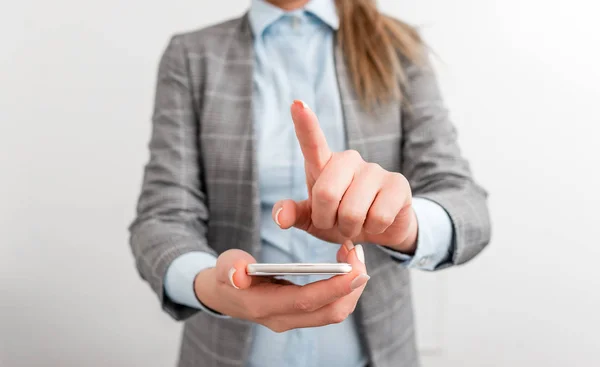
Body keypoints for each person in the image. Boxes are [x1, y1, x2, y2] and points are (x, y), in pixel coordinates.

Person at [129, 0, 491, 366]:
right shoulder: (192, 55)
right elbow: (163, 215)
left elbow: (466, 205)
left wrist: (405, 225)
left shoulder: (397, 46)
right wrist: (206, 285)